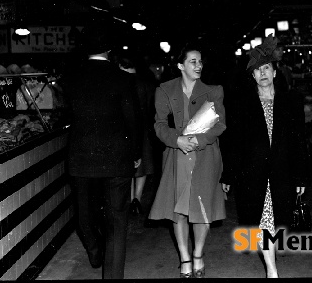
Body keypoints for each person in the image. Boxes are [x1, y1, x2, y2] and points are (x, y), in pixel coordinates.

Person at [220, 35, 309, 278]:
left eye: (266, 68)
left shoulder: (291, 102)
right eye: (257, 71)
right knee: (262, 220)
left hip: (282, 173)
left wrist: (301, 176)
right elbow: (234, 143)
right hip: (253, 173)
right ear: (252, 77)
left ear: (275, 72)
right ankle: (272, 269)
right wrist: (228, 173)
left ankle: (271, 262)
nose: (263, 74)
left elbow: (299, 142)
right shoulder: (242, 105)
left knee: (277, 221)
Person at [66, 20, 143, 279]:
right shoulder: (122, 79)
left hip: (81, 159)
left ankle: (94, 248)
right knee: (116, 222)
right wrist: (136, 154)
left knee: (84, 217)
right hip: (117, 159)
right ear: (109, 51)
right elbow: (132, 119)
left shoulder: (72, 78)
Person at [148, 43, 226, 278]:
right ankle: (184, 258)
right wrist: (177, 140)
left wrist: (199, 141)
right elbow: (159, 125)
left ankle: (198, 254)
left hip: (205, 156)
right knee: (179, 210)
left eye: (200, 61)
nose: (199, 65)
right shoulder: (164, 90)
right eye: (193, 61)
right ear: (181, 65)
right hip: (177, 156)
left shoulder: (214, 90)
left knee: (202, 209)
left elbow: (220, 124)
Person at [114, 51, 157, 216]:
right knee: (143, 166)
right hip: (144, 128)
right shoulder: (145, 84)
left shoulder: (120, 82)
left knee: (129, 166)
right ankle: (137, 198)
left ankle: (131, 197)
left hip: (124, 128)